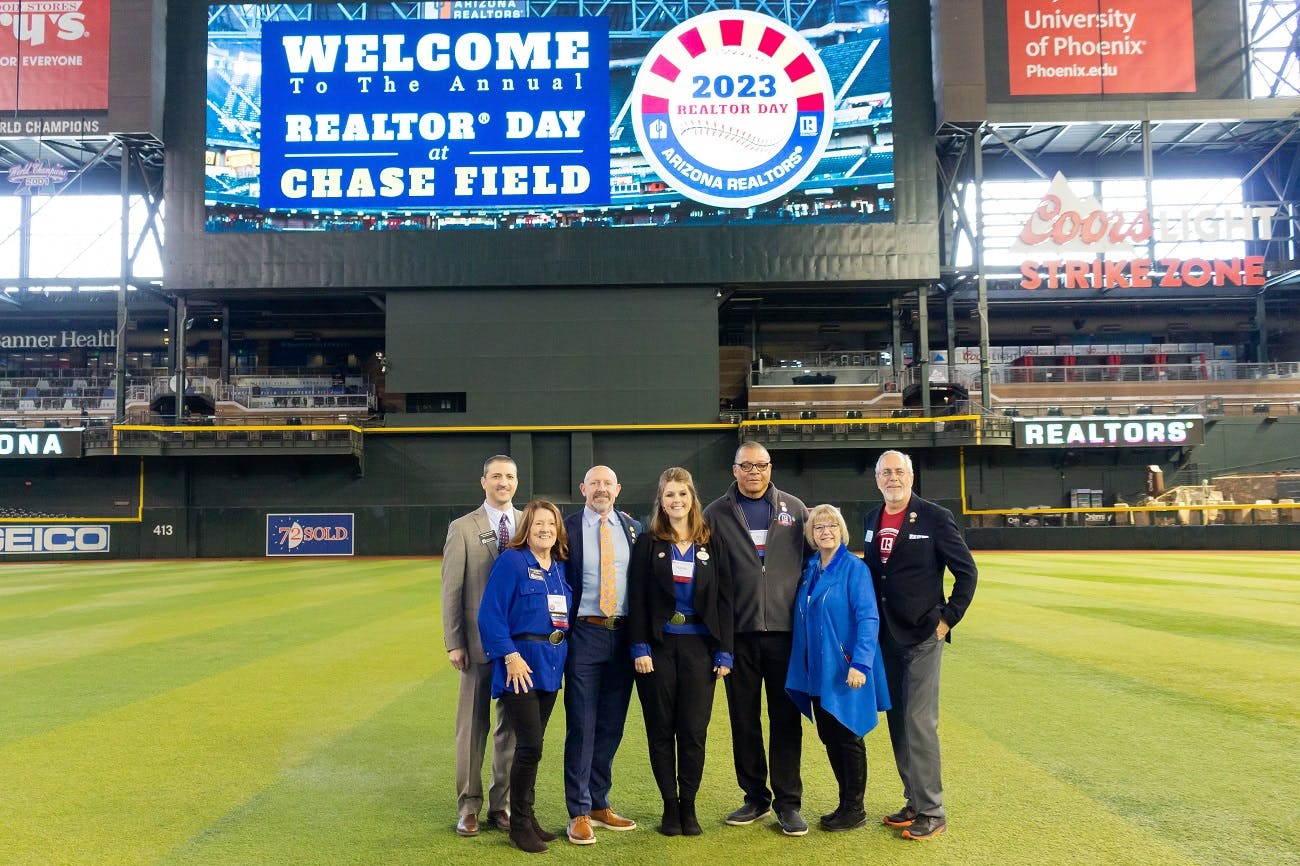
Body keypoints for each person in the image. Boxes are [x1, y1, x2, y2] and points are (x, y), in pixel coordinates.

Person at [863, 450, 977, 841]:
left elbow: (966, 572)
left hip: (923, 635)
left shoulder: (935, 516)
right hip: (886, 636)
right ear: (877, 479)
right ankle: (913, 800)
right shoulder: (871, 519)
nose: (892, 478)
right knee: (898, 719)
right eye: (885, 472)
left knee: (919, 722)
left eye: (899, 471)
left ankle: (932, 810)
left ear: (911, 477)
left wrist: (948, 618)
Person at [703, 441, 810, 836]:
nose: (754, 472)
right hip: (739, 636)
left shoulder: (795, 510)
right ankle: (755, 797)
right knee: (743, 720)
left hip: (785, 635)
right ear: (734, 470)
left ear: (770, 467)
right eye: (746, 466)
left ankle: (788, 802)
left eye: (761, 465)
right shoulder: (714, 514)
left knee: (786, 720)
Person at [628, 467, 734, 837]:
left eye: (682, 494)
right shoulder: (648, 542)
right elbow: (637, 599)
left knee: (693, 732)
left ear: (693, 499)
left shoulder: (711, 542)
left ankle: (689, 807)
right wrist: (639, 646)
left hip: (700, 649)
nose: (677, 501)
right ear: (661, 500)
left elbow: (725, 601)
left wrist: (725, 652)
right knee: (661, 731)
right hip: (656, 649)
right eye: (670, 495)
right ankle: (669, 809)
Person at [785, 504, 891, 832]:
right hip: (817, 670)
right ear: (811, 535)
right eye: (819, 527)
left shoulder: (854, 568)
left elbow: (868, 617)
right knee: (830, 736)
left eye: (832, 525)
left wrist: (861, 662)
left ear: (841, 530)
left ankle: (855, 809)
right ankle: (845, 803)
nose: (826, 531)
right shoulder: (810, 568)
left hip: (846, 669)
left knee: (848, 736)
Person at [477, 500, 573, 854]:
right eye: (537, 525)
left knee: (532, 746)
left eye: (550, 524)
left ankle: (527, 817)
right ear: (526, 530)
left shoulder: (559, 567)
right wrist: (510, 656)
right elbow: (490, 615)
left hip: (550, 665)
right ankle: (517, 825)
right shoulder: (512, 562)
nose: (544, 529)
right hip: (520, 666)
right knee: (529, 746)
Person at [561, 466, 643, 845]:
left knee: (611, 724)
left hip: (622, 634)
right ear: (583, 489)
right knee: (582, 723)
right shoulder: (567, 527)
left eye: (608, 483)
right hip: (584, 632)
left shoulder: (631, 528)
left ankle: (598, 802)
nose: (601, 489)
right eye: (594, 483)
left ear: (618, 489)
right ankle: (577, 811)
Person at [442, 455, 521, 837]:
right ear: (483, 481)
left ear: (516, 482)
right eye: (496, 476)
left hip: (518, 651)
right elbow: (451, 590)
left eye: (509, 476)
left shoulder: (528, 523)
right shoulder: (463, 527)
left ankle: (501, 804)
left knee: (512, 729)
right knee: (472, 728)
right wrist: (454, 642)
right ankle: (469, 806)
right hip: (475, 647)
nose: (503, 482)